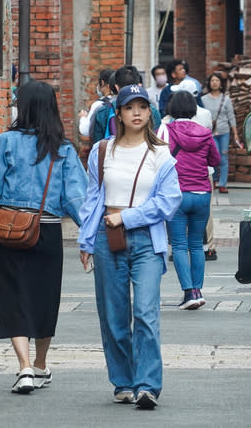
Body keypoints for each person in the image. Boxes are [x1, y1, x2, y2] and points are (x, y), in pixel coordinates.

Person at [77, 84, 182, 409]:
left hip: (147, 239)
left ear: (150, 112)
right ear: (119, 114)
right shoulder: (102, 150)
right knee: (113, 314)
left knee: (146, 312)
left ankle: (148, 385)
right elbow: (93, 197)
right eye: (129, 107)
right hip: (108, 238)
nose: (136, 112)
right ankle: (123, 381)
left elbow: (169, 202)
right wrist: (86, 237)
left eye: (142, 106)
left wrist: (130, 217)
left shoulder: (161, 153)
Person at [0, 81, 88, 394]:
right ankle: (40, 364)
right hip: (48, 229)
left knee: (14, 297)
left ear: (23, 107)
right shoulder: (62, 148)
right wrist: (89, 236)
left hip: (10, 228)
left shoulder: (5, 142)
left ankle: (24, 367)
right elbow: (75, 198)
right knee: (44, 299)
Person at [163, 90, 220, 309]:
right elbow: (215, 160)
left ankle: (188, 293)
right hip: (202, 194)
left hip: (176, 195)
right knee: (197, 245)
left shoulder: (166, 131)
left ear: (171, 108)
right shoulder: (204, 132)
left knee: (178, 246)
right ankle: (197, 290)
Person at [201, 72, 242, 194]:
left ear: (220, 84)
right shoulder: (203, 99)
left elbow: (231, 116)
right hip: (210, 133)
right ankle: (213, 180)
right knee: (213, 157)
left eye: (217, 81)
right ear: (209, 83)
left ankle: (223, 184)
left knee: (223, 157)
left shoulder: (226, 99)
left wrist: (235, 134)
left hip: (224, 131)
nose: (214, 83)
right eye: (212, 80)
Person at [79, 68, 115, 139]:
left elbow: (85, 131)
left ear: (102, 83)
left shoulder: (98, 104)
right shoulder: (120, 101)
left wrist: (82, 117)